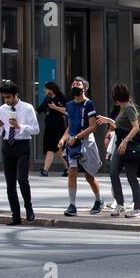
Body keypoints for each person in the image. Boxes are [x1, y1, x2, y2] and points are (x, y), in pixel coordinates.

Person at [0, 80, 39, 225]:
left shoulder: (27, 108)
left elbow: (36, 129)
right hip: (7, 146)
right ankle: (15, 215)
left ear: (16, 95)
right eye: (4, 98)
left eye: (8, 97)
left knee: (22, 179)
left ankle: (29, 208)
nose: (6, 100)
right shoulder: (2, 109)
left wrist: (20, 126)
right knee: (10, 183)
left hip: (22, 145)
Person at [58, 77, 104, 215]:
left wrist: (77, 137)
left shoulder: (88, 104)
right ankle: (72, 205)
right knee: (72, 172)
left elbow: (93, 126)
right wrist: (63, 139)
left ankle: (98, 199)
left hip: (85, 141)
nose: (75, 85)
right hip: (72, 142)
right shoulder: (69, 105)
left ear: (85, 88)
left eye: (78, 84)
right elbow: (71, 126)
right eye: (73, 83)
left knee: (89, 175)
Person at [105, 83, 140, 218]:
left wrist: (125, 140)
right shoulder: (123, 108)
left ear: (115, 98)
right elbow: (121, 126)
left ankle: (138, 208)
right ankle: (120, 204)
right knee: (113, 172)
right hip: (120, 145)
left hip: (129, 146)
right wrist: (109, 121)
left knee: (131, 177)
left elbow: (135, 128)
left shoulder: (128, 108)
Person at [36, 80, 68, 177]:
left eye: (45, 89)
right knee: (50, 148)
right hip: (49, 127)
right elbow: (39, 110)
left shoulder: (61, 97)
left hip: (59, 127)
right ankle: (45, 170)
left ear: (50, 89)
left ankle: (68, 168)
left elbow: (67, 110)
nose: (44, 90)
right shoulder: (47, 98)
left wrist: (55, 107)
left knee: (59, 149)